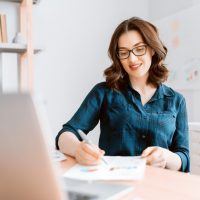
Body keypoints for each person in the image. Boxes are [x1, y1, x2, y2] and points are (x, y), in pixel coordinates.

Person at [56, 17, 189, 172]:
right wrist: (78, 149)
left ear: (152, 49)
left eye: (139, 49)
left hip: (160, 187)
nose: (132, 59)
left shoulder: (176, 101)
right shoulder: (103, 92)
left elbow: (184, 158)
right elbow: (65, 135)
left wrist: (166, 157)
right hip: (115, 183)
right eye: (123, 52)